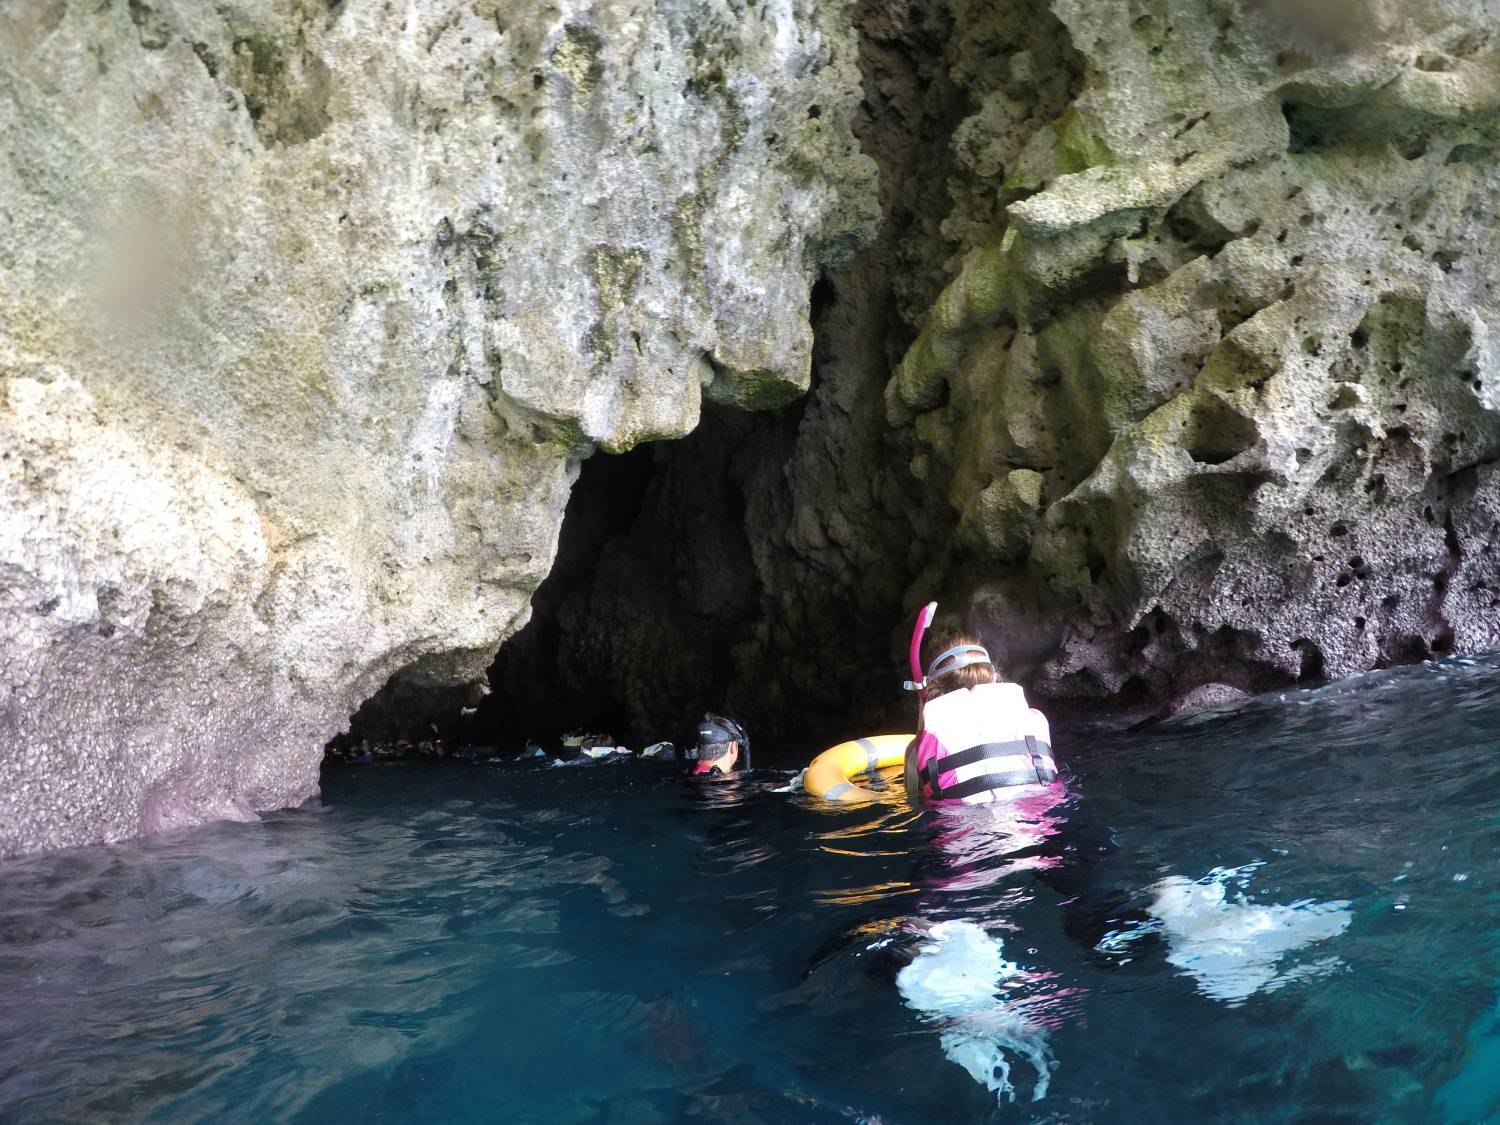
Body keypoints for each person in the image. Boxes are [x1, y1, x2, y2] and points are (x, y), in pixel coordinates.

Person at [903, 628, 1055, 806]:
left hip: (962, 829)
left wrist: (921, 729)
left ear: (932, 687)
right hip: (1035, 827)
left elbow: (914, 803)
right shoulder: (1035, 720)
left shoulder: (918, 747)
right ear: (993, 675)